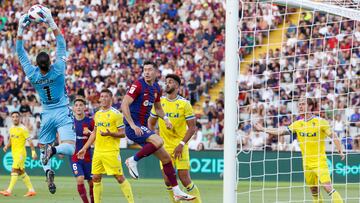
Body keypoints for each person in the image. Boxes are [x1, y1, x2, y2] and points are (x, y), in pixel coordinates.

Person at [16, 10, 76, 194]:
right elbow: (61, 45)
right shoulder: (58, 69)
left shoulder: (32, 74)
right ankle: (54, 149)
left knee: (43, 150)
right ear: (50, 62)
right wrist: (51, 22)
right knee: (70, 148)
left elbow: (20, 52)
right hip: (62, 110)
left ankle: (49, 171)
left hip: (47, 113)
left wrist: (20, 28)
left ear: (36, 63)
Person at [121, 61, 195, 201]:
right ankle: (133, 160)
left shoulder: (156, 88)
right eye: (145, 69)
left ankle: (177, 191)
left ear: (155, 72)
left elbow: (159, 108)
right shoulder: (138, 85)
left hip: (141, 127)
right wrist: (131, 124)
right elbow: (124, 104)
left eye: (150, 69)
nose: (147, 72)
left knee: (166, 159)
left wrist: (166, 119)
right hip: (134, 127)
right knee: (159, 140)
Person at [254, 98, 344, 203]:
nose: (300, 106)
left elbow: (333, 135)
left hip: (320, 161)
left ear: (310, 107)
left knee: (327, 187)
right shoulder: (297, 124)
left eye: (303, 104)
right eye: (299, 104)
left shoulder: (321, 122)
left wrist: (340, 149)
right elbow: (280, 132)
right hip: (306, 163)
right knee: (314, 190)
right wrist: (263, 129)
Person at [148, 74, 202, 203]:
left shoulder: (185, 104)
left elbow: (192, 127)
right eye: (166, 82)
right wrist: (154, 138)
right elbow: (151, 123)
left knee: (184, 178)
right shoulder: (159, 103)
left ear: (177, 86)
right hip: (164, 147)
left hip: (180, 145)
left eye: (170, 82)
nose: (167, 84)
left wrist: (181, 144)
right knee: (167, 180)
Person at [77, 89, 134, 203]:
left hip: (111, 152)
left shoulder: (116, 114)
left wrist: (111, 133)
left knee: (119, 177)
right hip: (98, 152)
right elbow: (94, 133)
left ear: (111, 98)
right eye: (101, 96)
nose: (103, 98)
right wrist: (84, 148)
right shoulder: (97, 114)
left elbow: (123, 133)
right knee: (95, 178)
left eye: (106, 96)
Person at [0, 112, 37, 197]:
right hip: (14, 153)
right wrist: (6, 146)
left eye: (17, 116)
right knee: (21, 172)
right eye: (13, 117)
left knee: (14, 170)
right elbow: (11, 140)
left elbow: (30, 141)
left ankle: (9, 190)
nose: (15, 118)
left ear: (19, 118)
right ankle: (31, 190)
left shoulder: (23, 129)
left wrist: (33, 152)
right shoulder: (11, 128)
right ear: (11, 118)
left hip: (21, 154)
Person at [72, 97, 94, 203]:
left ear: (84, 107)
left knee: (92, 182)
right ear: (73, 108)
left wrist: (90, 133)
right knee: (80, 178)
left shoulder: (90, 122)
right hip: (74, 156)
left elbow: (96, 136)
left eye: (81, 105)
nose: (78, 107)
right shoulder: (70, 122)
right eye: (76, 105)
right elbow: (62, 134)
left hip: (88, 156)